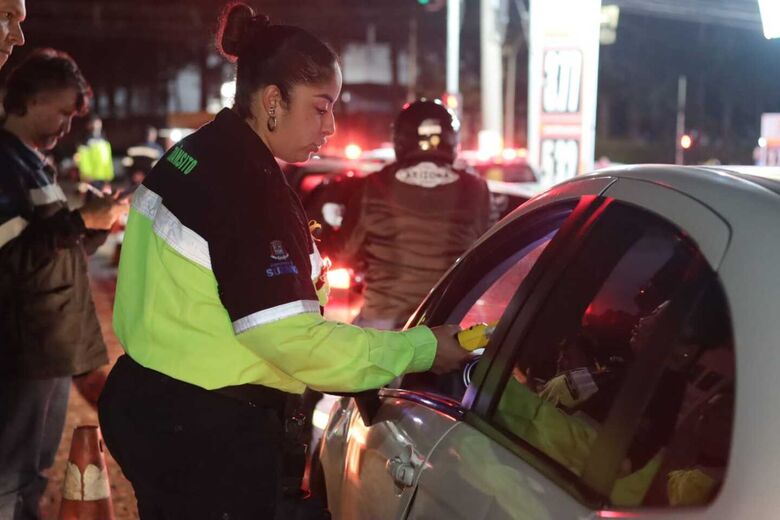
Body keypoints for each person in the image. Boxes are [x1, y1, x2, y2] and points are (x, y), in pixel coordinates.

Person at [97, 4, 469, 519]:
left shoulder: (196, 152)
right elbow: (292, 338)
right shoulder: (247, 186)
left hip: (153, 402)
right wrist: (422, 349)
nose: (332, 126)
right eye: (321, 107)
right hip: (207, 430)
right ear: (273, 101)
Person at [0, 48, 128, 520]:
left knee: (31, 474)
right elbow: (10, 260)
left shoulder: (31, 163)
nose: (66, 127)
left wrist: (94, 226)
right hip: (22, 351)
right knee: (11, 476)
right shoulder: (5, 164)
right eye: (62, 112)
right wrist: (77, 223)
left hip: (47, 348)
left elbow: (52, 255)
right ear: (31, 101)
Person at [333, 99, 492, 330]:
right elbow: (487, 252)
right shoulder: (476, 189)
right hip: (447, 320)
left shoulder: (374, 185)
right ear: (451, 141)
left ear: (400, 140)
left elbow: (344, 251)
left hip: (384, 322)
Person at [75, 114, 114, 187]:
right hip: (91, 178)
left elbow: (107, 159)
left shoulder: (104, 139)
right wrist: (86, 175)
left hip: (103, 177)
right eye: (94, 122)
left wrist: (108, 175)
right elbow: (84, 159)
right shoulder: (85, 141)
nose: (97, 125)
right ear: (88, 125)